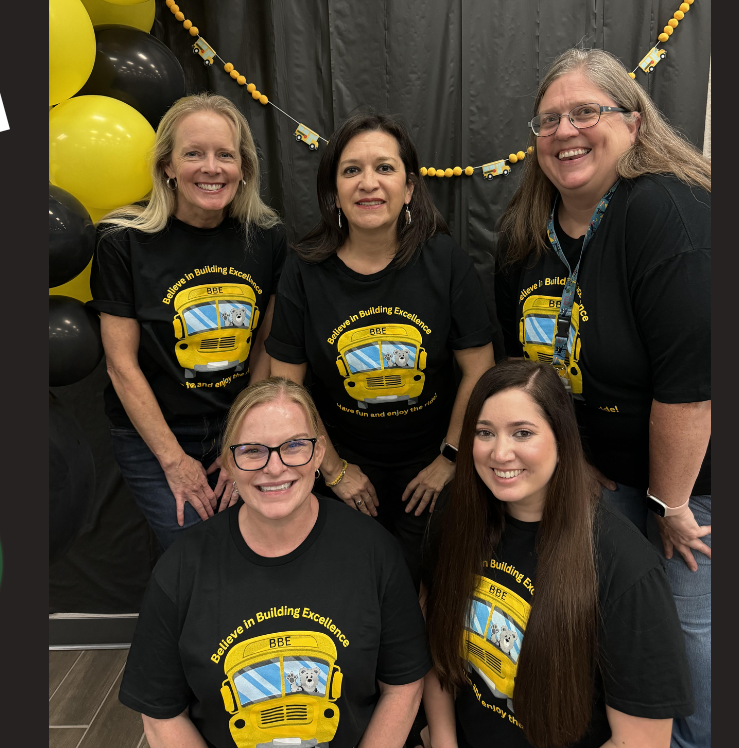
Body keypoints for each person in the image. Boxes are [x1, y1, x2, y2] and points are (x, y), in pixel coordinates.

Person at [494, 49, 710, 747]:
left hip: (687, 485)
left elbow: (690, 387)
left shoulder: (666, 211)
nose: (565, 130)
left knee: (684, 642)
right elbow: (522, 377)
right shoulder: (527, 234)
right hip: (594, 474)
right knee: (604, 634)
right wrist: (573, 462)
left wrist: (669, 507)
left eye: (587, 111)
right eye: (549, 118)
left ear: (635, 123)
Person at [119, 377, 431, 748]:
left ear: (318, 454)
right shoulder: (182, 567)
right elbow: (160, 713)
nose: (274, 467)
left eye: (295, 445)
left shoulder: (375, 550)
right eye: (252, 450)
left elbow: (404, 686)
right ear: (229, 463)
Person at [266, 111, 495, 586]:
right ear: (333, 191)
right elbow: (285, 388)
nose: (368, 183)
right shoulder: (304, 270)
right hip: (339, 459)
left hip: (433, 462)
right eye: (351, 170)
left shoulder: (444, 260)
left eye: (384, 168)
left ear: (409, 188)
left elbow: (479, 370)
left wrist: (449, 459)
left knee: (434, 586)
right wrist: (332, 470)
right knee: (354, 587)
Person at [422, 361, 693, 748]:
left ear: (562, 438)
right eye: (484, 432)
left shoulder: (624, 566)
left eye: (522, 433)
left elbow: (640, 741)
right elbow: (438, 655)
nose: (500, 453)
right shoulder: (455, 515)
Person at [90, 93, 288, 551]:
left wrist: (245, 437)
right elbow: (121, 365)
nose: (211, 167)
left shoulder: (267, 237)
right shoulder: (123, 240)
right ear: (168, 167)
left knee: (251, 546)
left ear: (244, 169)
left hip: (238, 423)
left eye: (225, 154)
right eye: (193, 153)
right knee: (193, 550)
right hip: (154, 431)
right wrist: (173, 460)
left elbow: (266, 347)